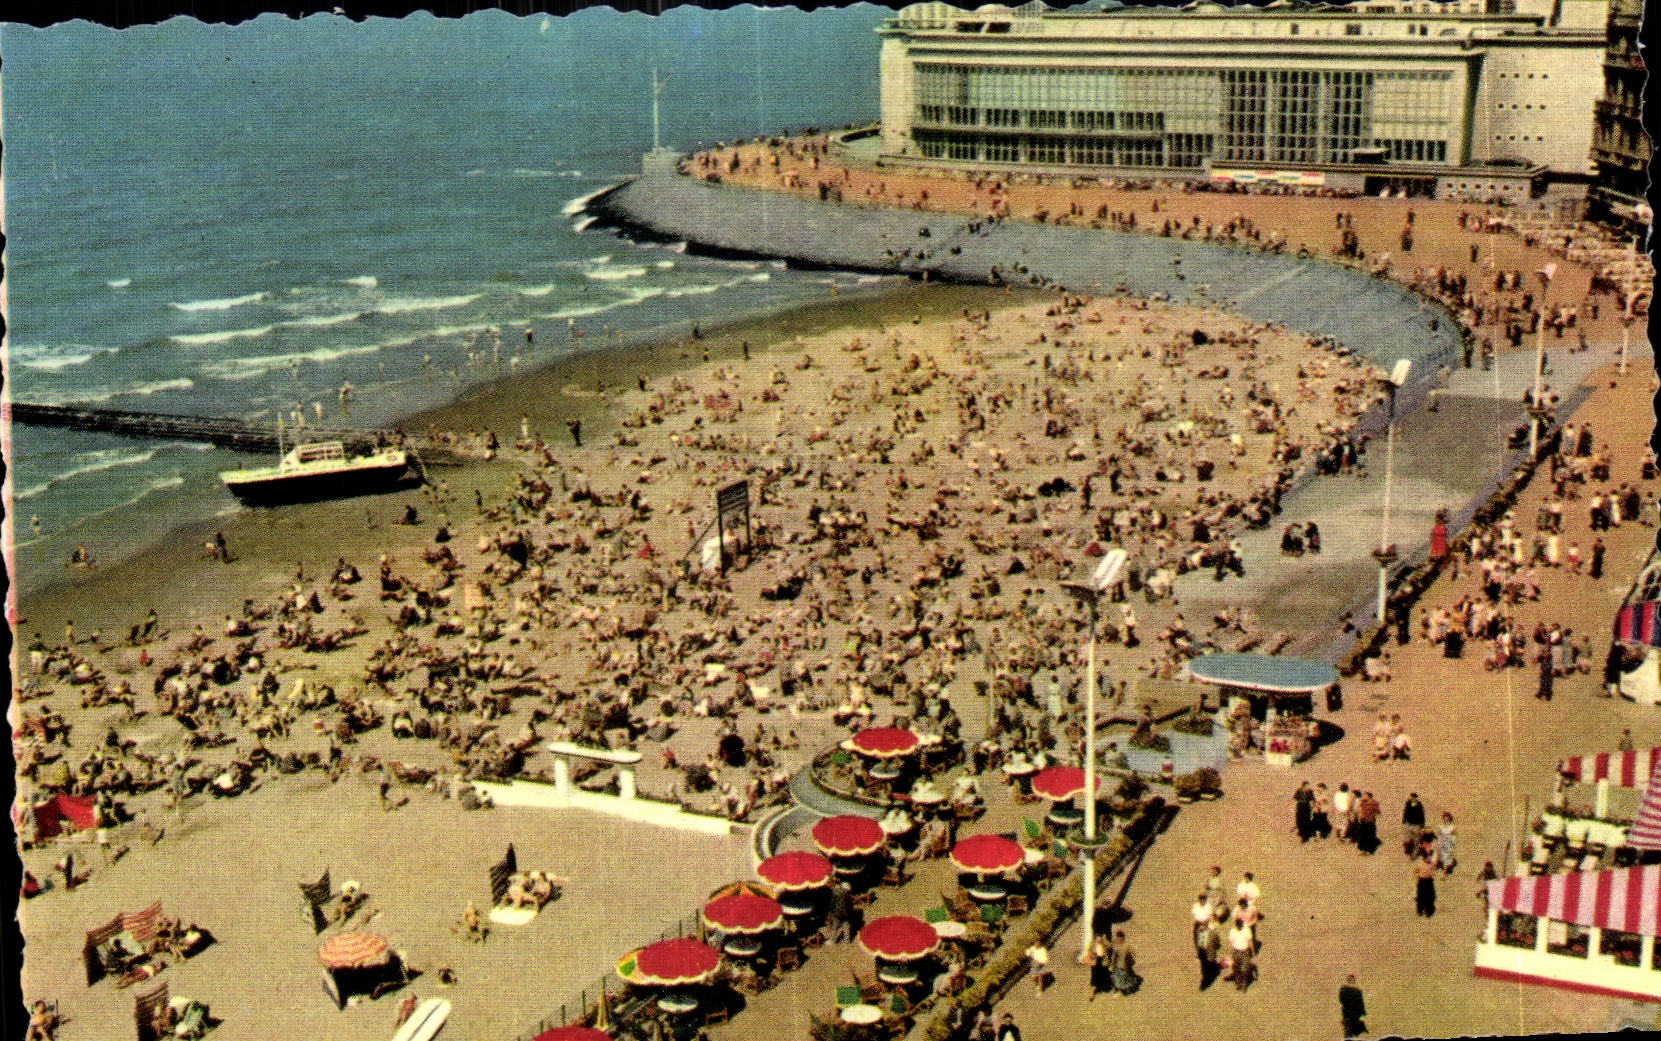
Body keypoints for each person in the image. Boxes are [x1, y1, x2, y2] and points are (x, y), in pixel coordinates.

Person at [1109, 929, 1141, 995]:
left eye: (1119, 938)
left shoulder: (1125, 946)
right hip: (1119, 966)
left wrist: (1131, 958)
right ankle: (1123, 990)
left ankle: (1125, 991)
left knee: (1123, 978)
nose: (1118, 940)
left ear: (1122, 938)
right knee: (1120, 978)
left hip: (1124, 965)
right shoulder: (1118, 946)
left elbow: (1133, 953)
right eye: (1118, 938)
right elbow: (1114, 957)